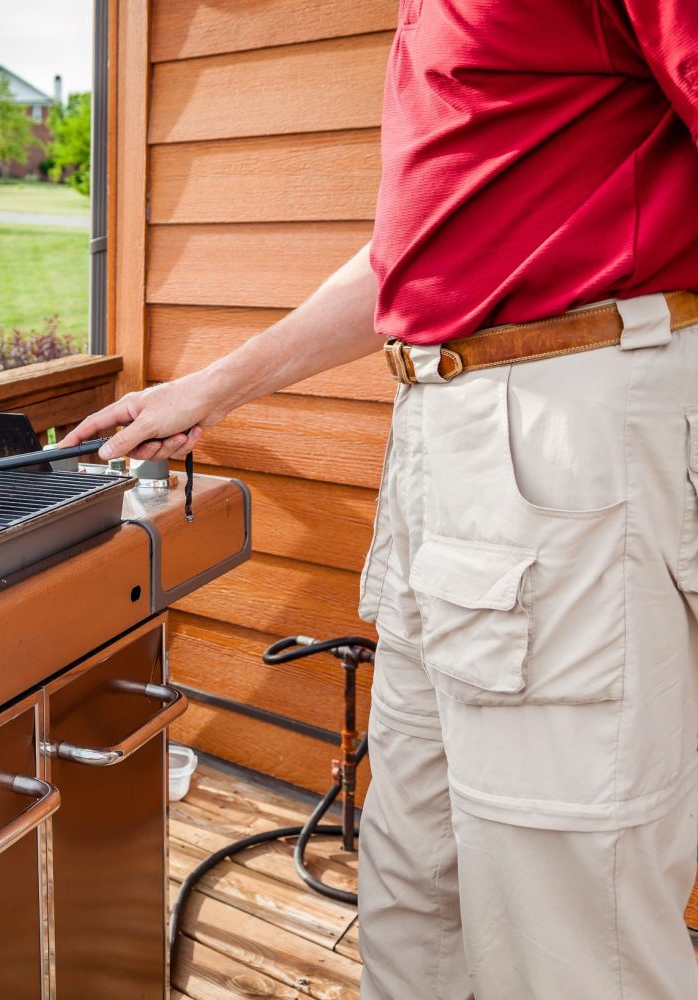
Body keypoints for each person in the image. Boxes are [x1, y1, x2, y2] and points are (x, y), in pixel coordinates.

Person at [62, 3, 698, 998]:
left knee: (571, 939)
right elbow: (417, 260)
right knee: (413, 888)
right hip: (447, 440)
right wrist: (210, 388)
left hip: (563, 429)